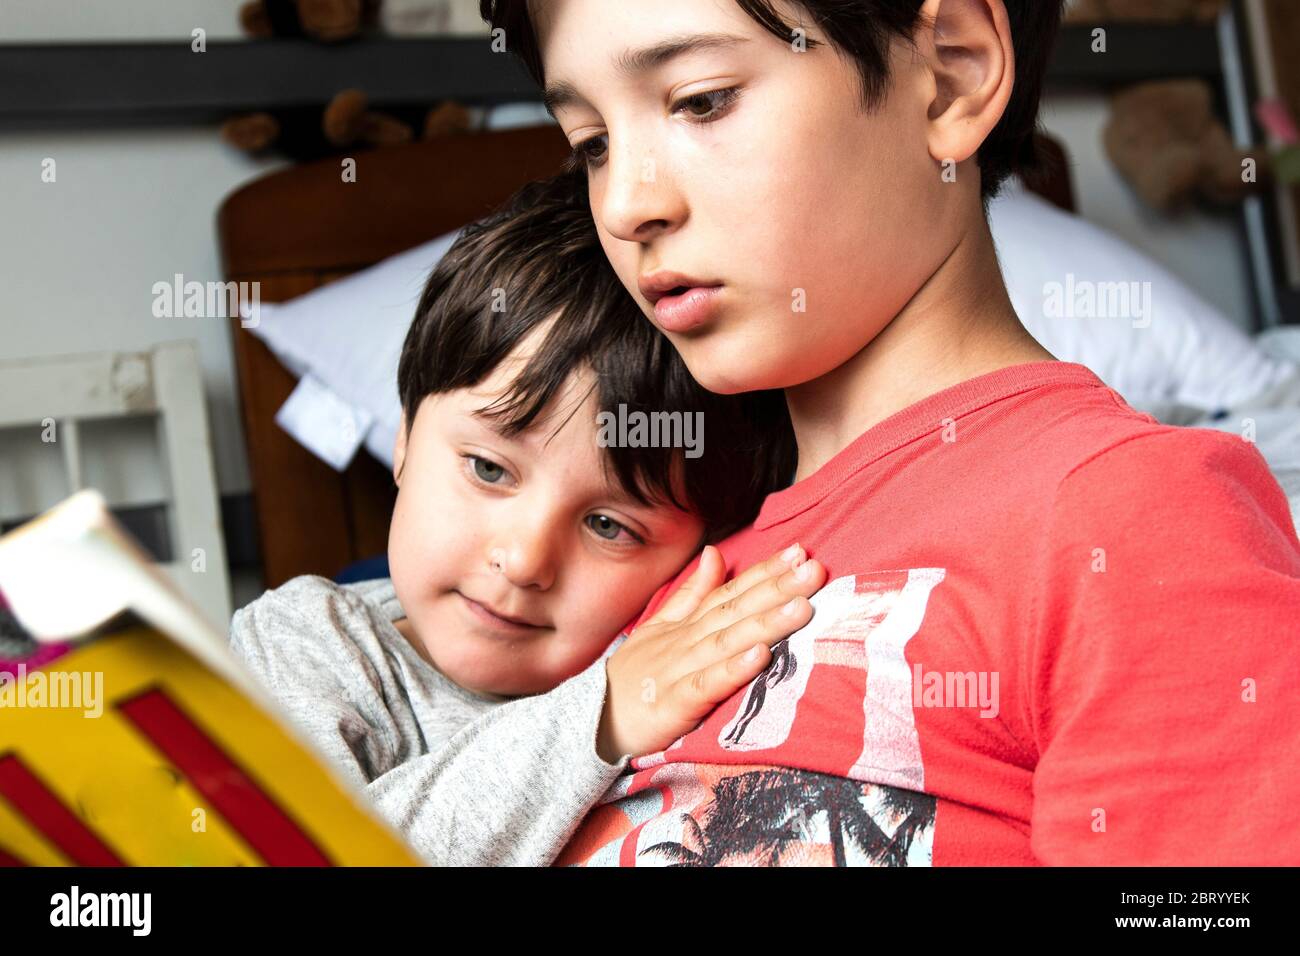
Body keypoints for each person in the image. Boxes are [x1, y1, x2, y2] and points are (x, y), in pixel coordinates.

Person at [478, 0, 1300, 865]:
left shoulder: (1134, 515)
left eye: (702, 101)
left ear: (949, 74)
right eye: (592, 144)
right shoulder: (660, 561)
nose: (626, 204)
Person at [229, 171, 828, 865]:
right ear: (403, 440)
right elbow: (319, 853)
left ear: (703, 549)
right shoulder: (303, 644)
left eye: (609, 526)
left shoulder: (675, 660)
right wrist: (600, 715)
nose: (522, 561)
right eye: (488, 469)